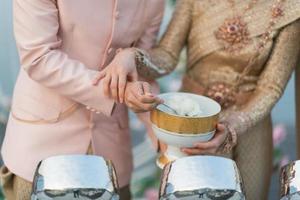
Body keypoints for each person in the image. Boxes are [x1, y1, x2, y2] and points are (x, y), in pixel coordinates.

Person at [94, 0, 300, 199]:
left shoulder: (290, 9)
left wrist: (233, 126)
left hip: (250, 126)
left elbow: (271, 87)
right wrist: (132, 56)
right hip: (192, 124)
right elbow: (166, 57)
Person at [0, 0, 165, 199]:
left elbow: (141, 71)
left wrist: (166, 135)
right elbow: (38, 57)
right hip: (40, 147)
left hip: (112, 153)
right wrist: (114, 91)